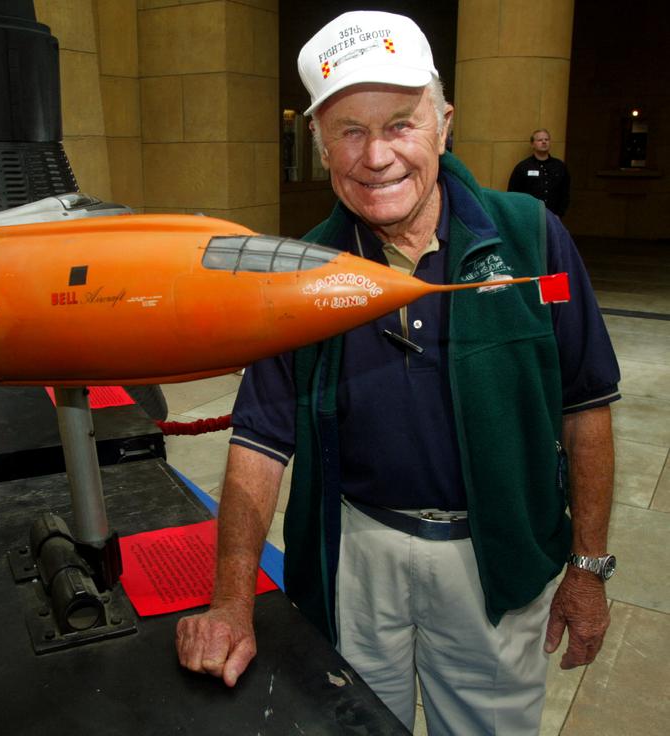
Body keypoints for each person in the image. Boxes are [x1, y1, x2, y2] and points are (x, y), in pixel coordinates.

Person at [175, 10, 620, 735]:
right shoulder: (296, 272)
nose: (376, 156)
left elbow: (586, 405)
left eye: (400, 124)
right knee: (351, 723)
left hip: (497, 560)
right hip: (356, 560)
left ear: (444, 123)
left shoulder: (533, 238)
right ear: (320, 144)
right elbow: (258, 442)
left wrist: (588, 567)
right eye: (349, 130)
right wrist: (230, 600)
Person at [508, 129, 571, 217]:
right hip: (529, 215)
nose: (544, 142)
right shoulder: (523, 167)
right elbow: (513, 193)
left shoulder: (560, 166)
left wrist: (560, 213)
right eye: (540, 140)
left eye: (546, 139)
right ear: (532, 144)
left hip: (553, 215)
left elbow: (565, 193)